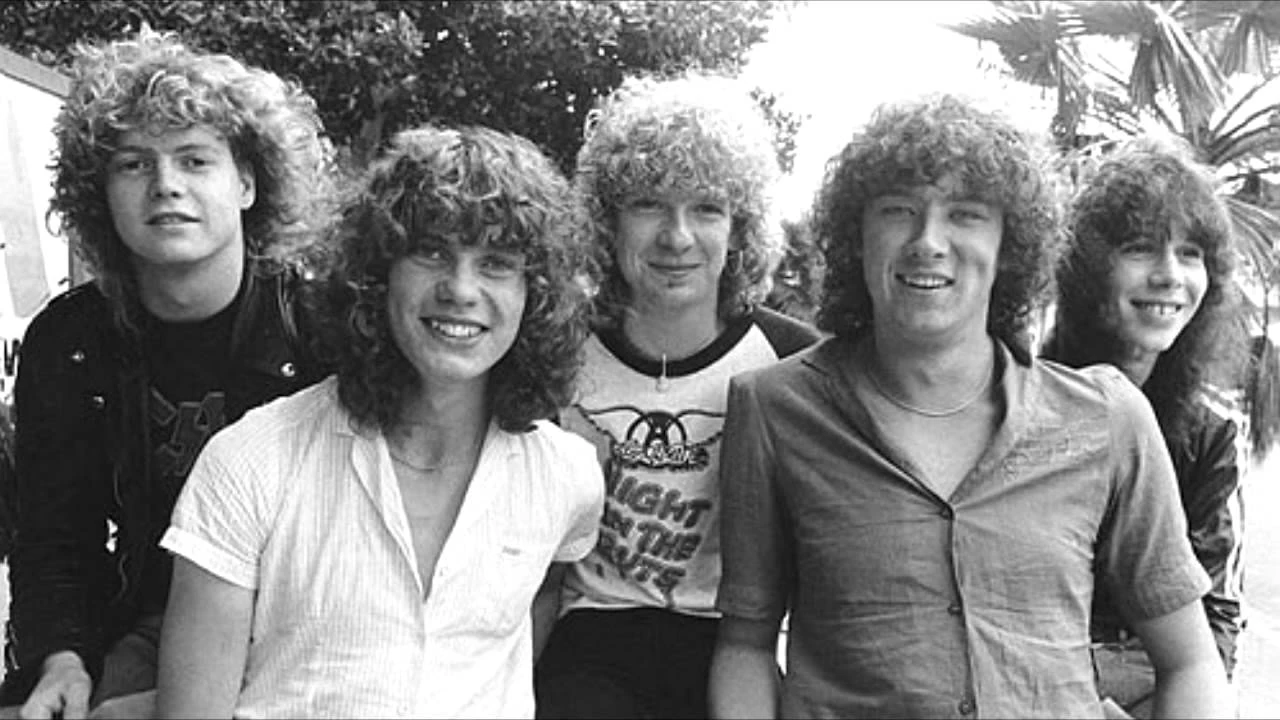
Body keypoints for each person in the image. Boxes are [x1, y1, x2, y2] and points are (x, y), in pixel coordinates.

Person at [709, 94, 1233, 718]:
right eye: (898, 210)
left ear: (1011, 244)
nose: (928, 241)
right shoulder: (775, 409)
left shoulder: (1107, 418)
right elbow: (745, 645)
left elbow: (1191, 662)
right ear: (857, 236)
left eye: (965, 214)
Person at [154, 124, 604, 718]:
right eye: (432, 252)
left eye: (496, 263)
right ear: (376, 273)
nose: (461, 289)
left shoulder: (566, 476)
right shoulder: (251, 460)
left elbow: (537, 603)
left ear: (535, 295)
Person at [3, 28, 331, 719]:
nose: (166, 186)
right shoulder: (69, 341)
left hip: (299, 631)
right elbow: (53, 536)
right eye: (133, 164)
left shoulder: (322, 329)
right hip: (138, 623)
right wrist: (60, 659)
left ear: (247, 183)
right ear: (99, 192)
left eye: (195, 160)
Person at [533, 72, 821, 719]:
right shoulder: (556, 351)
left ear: (740, 227)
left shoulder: (793, 362)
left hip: (734, 641)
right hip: (591, 637)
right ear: (607, 221)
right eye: (649, 205)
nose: (677, 236)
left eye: (706, 209)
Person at [1042, 136, 1247, 717]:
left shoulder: (1210, 433)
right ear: (1085, 268)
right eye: (1139, 249)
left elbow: (1218, 613)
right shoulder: (1022, 397)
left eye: (1190, 253)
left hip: (1159, 680)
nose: (1169, 276)